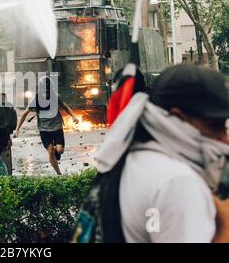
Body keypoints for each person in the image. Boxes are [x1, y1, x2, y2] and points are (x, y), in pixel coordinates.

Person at [77, 64, 229, 243]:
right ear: (177, 118)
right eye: (215, 125)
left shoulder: (133, 158)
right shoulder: (176, 181)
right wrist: (226, 226)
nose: (224, 139)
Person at [14, 76, 79, 175]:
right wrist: (17, 129)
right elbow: (24, 114)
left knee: (60, 150)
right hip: (44, 129)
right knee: (50, 151)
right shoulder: (36, 99)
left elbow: (65, 107)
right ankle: (59, 173)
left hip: (57, 127)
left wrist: (74, 116)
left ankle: (57, 152)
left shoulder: (55, 96)